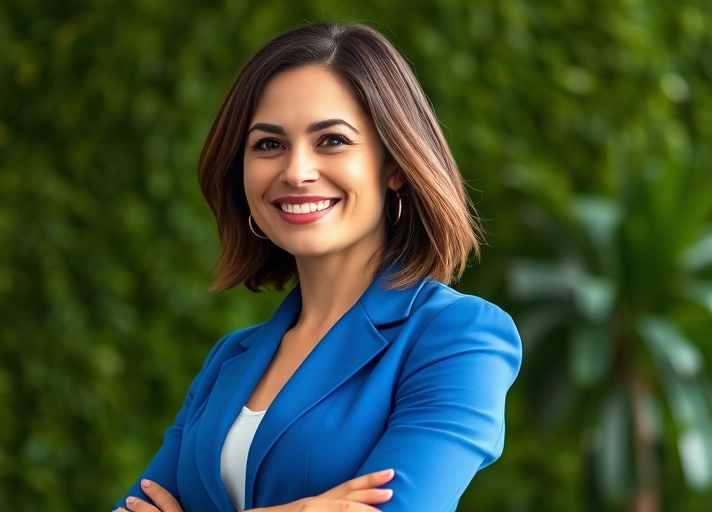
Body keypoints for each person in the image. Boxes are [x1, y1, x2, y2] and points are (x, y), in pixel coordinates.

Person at [113, 22, 521, 512]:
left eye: (331, 141)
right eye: (268, 144)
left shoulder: (459, 337)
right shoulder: (229, 359)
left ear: (394, 166)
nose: (296, 171)